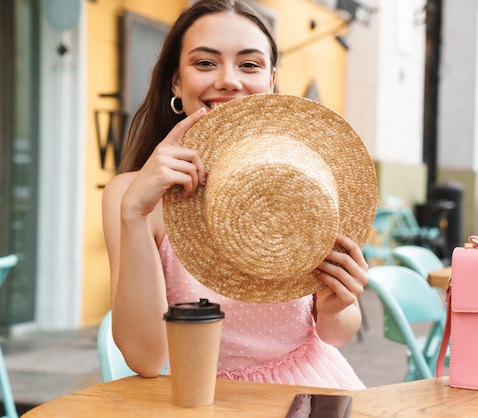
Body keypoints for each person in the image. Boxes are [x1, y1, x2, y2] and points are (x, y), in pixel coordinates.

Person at [102, 0, 368, 390]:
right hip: (198, 394)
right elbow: (145, 358)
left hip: (308, 387)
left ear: (271, 80)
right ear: (176, 81)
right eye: (205, 63)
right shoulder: (130, 195)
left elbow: (337, 334)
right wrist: (135, 215)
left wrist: (337, 305)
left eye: (249, 64)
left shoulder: (311, 176)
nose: (229, 80)